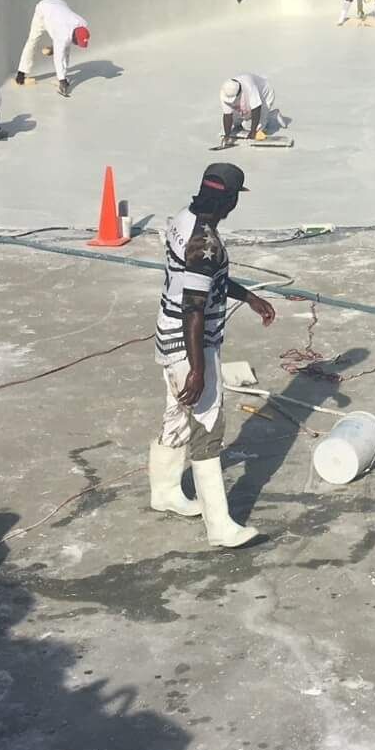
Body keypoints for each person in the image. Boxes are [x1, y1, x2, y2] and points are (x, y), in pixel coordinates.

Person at [150, 163, 276, 549]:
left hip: (167, 334)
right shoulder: (206, 244)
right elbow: (194, 307)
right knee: (207, 430)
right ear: (231, 200)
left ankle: (166, 492)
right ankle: (219, 525)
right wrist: (199, 368)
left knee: (177, 415)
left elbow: (200, 279)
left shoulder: (183, 220)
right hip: (189, 344)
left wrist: (248, 296)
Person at [15, 0, 90, 97]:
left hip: (60, 4)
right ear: (75, 36)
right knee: (32, 40)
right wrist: (62, 80)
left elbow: (66, 52)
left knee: (64, 47)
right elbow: (59, 58)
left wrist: (63, 76)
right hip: (43, 9)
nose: (77, 44)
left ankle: (54, 48)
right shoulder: (63, 35)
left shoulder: (82, 24)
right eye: (78, 42)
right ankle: (21, 72)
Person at [218, 74, 277, 146]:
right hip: (245, 101)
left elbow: (256, 108)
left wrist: (253, 131)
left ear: (238, 93)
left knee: (252, 127)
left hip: (264, 96)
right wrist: (227, 136)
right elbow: (227, 115)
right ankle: (246, 120)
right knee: (229, 127)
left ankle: (272, 115)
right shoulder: (225, 91)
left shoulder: (249, 86)